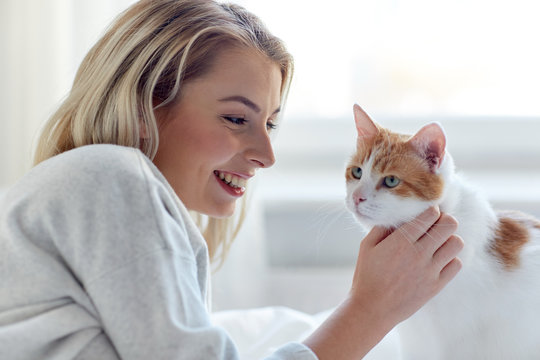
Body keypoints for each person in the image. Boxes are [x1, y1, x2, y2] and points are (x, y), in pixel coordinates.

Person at [0, 0, 464, 359]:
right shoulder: (107, 178)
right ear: (145, 107)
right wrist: (369, 311)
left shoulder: (107, 202)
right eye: (237, 118)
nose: (266, 155)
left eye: (271, 125)